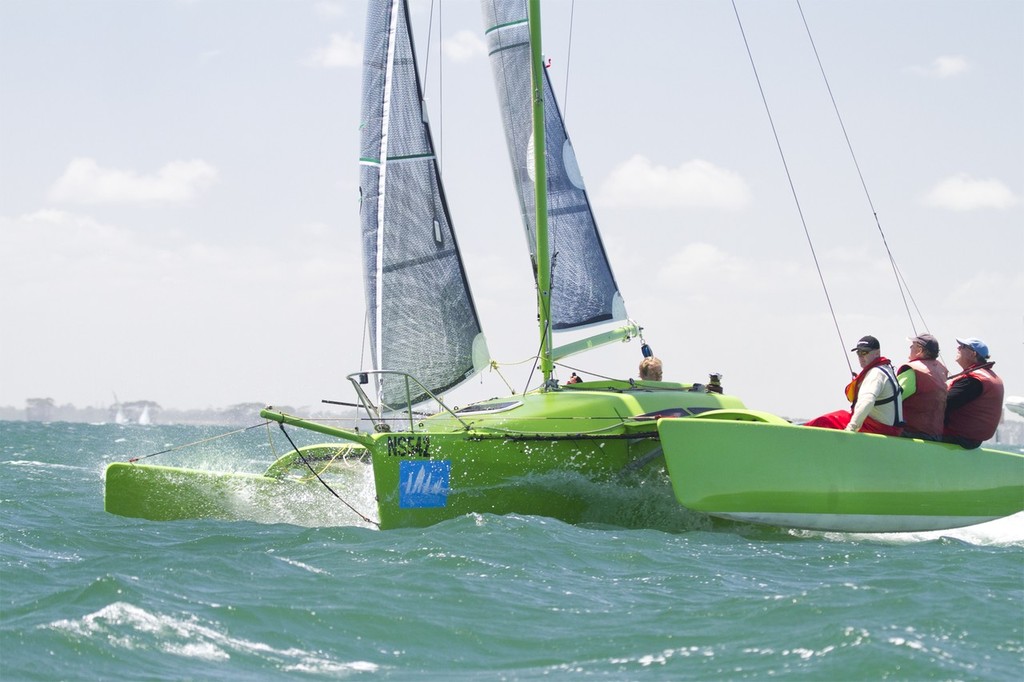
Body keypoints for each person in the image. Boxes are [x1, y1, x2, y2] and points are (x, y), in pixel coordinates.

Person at [804, 335, 903, 435]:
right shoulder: (886, 369)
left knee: (825, 421)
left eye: (864, 352)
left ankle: (800, 435)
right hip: (890, 429)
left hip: (877, 428)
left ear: (877, 353)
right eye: (858, 353)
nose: (861, 357)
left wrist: (850, 429)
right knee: (839, 415)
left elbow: (867, 401)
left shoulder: (875, 374)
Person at [942, 337, 1004, 449]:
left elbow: (943, 404)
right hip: (970, 439)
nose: (958, 348)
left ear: (973, 354)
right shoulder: (987, 375)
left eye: (963, 346)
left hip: (958, 439)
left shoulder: (973, 380)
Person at [896, 334, 948, 440]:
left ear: (919, 350)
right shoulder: (941, 371)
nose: (910, 348)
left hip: (911, 433)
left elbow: (891, 398)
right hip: (935, 435)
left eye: (912, 345)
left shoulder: (913, 371)